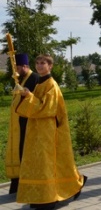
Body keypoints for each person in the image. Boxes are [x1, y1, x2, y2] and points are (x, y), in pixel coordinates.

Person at [16, 54, 86, 209]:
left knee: (47, 164)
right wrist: (27, 94)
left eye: (43, 63)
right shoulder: (40, 83)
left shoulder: (51, 85)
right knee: (38, 163)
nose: (40, 66)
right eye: (38, 63)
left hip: (49, 131)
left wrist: (28, 96)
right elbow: (36, 103)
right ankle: (40, 196)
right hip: (37, 129)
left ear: (50, 66)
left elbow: (47, 108)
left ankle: (49, 198)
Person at [6, 54, 40, 194]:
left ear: (25, 66)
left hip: (30, 122)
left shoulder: (35, 78)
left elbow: (36, 100)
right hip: (20, 122)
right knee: (21, 152)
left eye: (18, 67)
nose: (17, 70)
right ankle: (19, 184)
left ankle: (30, 185)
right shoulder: (21, 79)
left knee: (28, 153)